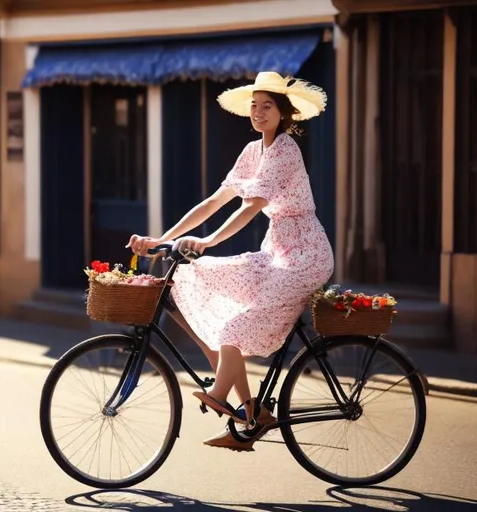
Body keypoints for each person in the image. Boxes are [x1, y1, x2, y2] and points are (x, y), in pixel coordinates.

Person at [126, 71, 334, 451]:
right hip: (276, 251)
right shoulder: (253, 151)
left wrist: (209, 240)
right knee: (202, 279)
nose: (258, 112)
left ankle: (222, 395)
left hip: (304, 256)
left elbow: (252, 206)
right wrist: (163, 239)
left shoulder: (286, 150)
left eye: (266, 106)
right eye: (254, 106)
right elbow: (215, 201)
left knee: (234, 328)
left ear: (283, 113)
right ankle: (252, 413)